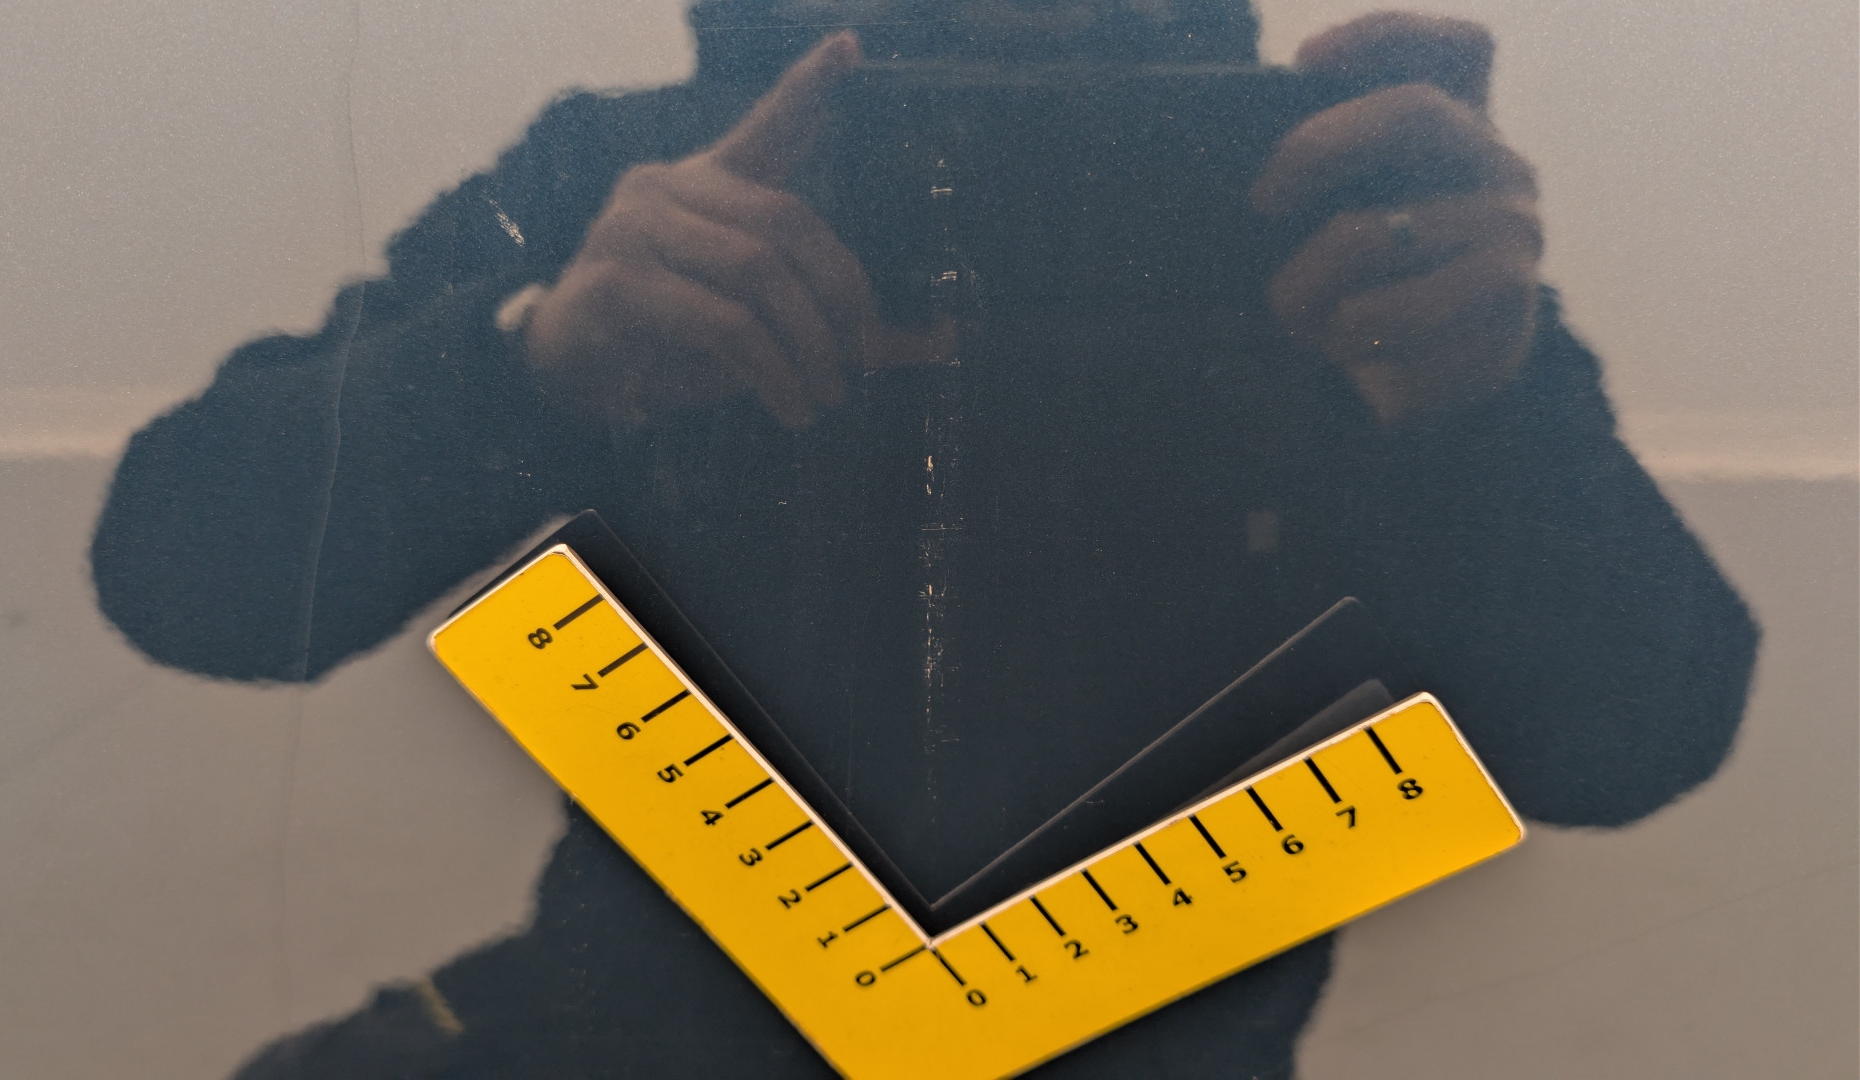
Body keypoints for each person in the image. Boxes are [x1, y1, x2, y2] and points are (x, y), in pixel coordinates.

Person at [89, 3, 1757, 1076]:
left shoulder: (1328, 217)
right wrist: (543, 359)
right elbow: (182, 572)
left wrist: (1478, 402)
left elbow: (1637, 738)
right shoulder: (641, 171)